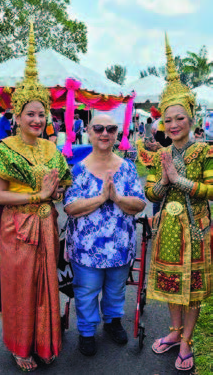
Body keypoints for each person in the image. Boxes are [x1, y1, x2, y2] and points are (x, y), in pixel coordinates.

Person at [0, 23, 71, 372]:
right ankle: (20, 346)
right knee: (20, 288)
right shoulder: (4, 149)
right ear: (17, 115)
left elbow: (63, 186)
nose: (37, 119)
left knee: (45, 284)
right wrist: (37, 194)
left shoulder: (53, 150)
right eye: (31, 114)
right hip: (18, 228)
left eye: (42, 114)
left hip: (48, 225)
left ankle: (45, 341)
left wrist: (58, 191)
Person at [145, 35, 212, 372]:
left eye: (179, 118)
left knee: (194, 288)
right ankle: (173, 332)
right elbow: (150, 195)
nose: (172, 125)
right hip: (168, 227)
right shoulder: (160, 154)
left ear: (191, 119)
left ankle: (187, 341)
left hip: (198, 229)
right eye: (167, 120)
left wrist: (182, 181)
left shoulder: (204, 151)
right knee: (172, 283)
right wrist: (162, 181)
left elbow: (212, 189)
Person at [64, 114, 146, 356]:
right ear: (88, 131)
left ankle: (112, 322)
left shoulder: (128, 168)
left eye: (110, 129)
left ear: (116, 133)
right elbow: (70, 208)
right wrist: (101, 198)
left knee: (115, 289)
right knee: (87, 291)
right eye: (98, 128)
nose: (104, 133)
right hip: (86, 251)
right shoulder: (78, 169)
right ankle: (87, 332)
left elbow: (140, 204)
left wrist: (117, 198)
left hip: (120, 248)